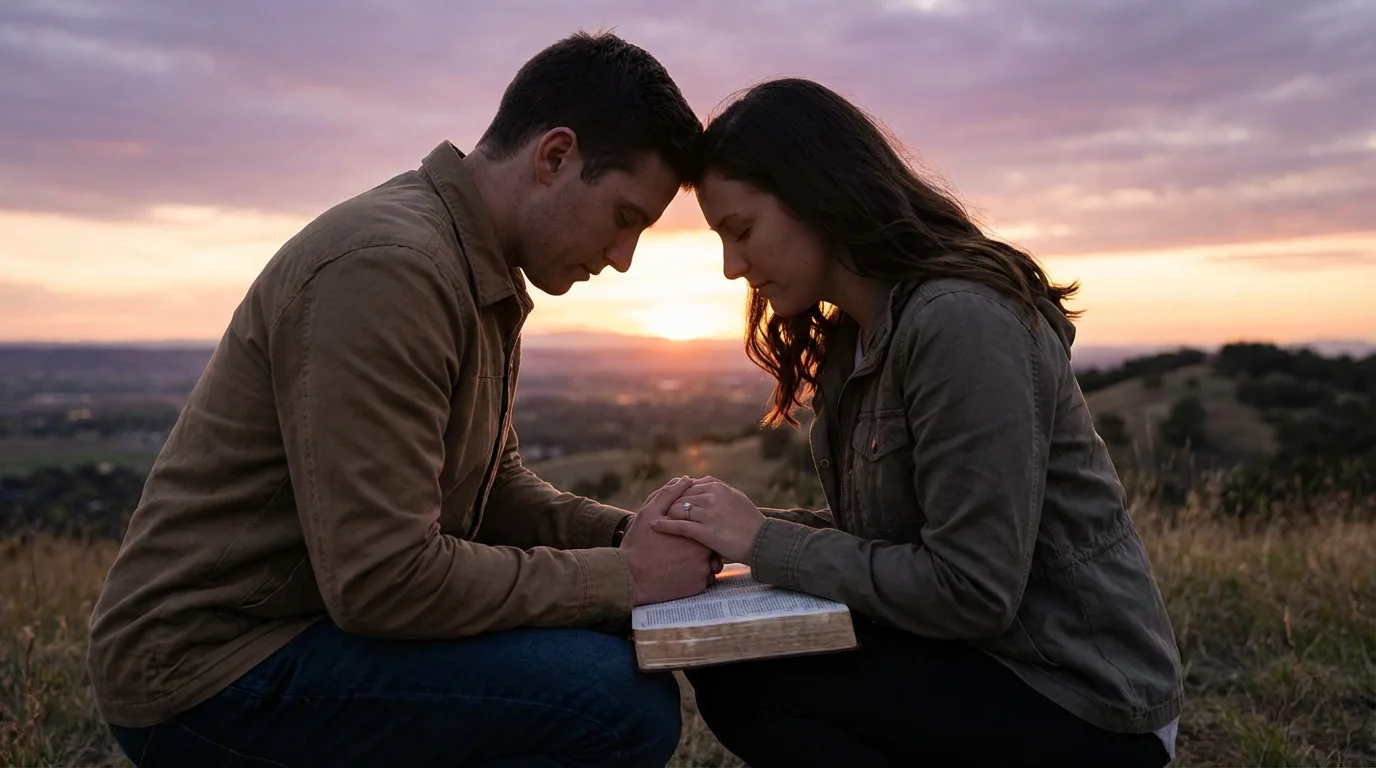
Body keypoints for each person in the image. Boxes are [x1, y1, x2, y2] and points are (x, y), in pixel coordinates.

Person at [87, 31, 718, 768]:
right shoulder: (392, 270)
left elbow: (492, 488)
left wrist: (627, 538)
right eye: (625, 217)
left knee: (616, 651)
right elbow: (383, 582)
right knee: (611, 704)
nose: (623, 258)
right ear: (555, 157)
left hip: (303, 627)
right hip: (210, 668)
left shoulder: (466, 261)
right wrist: (627, 578)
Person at [651, 78, 1185, 767]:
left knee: (756, 678)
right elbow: (885, 538)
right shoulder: (859, 337)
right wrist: (723, 533)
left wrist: (759, 538)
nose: (732, 267)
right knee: (735, 664)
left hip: (1081, 698)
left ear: (814, 193)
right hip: (981, 663)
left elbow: (971, 592)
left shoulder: (960, 322)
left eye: (742, 230)